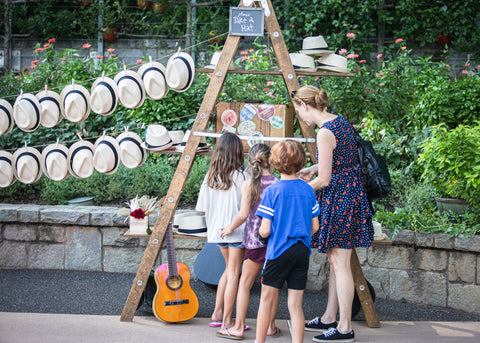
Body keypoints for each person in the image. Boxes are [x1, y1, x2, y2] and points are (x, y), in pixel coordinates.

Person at [292, 85, 374, 343]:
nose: (299, 116)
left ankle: (345, 328)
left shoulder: (324, 133)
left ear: (305, 106)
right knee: (336, 262)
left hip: (340, 199)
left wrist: (299, 188)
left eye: (297, 110)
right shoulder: (338, 121)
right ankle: (329, 317)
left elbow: (326, 179)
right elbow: (342, 159)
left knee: (340, 264)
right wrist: (313, 168)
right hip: (349, 194)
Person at [255, 140, 320, 343]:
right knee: (295, 305)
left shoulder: (273, 191)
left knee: (266, 299)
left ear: (274, 163)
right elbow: (315, 227)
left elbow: (265, 230)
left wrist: (261, 235)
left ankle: (259, 341)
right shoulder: (308, 190)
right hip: (301, 251)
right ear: (301, 162)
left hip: (279, 251)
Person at [217, 143, 280, 340]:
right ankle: (270, 326)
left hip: (254, 241)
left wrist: (230, 228)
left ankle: (239, 326)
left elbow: (244, 214)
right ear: (271, 160)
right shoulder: (278, 183)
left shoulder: (248, 184)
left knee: (245, 283)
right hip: (275, 241)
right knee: (272, 285)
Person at [195, 132, 247, 334]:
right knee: (234, 272)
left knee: (228, 270)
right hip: (236, 231)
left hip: (217, 233)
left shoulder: (210, 177)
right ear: (237, 152)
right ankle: (227, 320)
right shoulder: (243, 176)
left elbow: (201, 209)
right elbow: (246, 209)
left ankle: (217, 313)